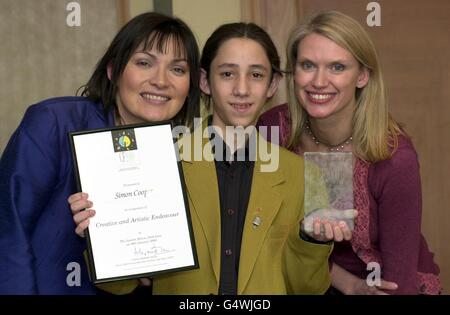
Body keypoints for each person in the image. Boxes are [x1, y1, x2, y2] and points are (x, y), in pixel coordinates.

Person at [69, 22, 354, 295]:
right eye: (227, 74)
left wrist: (310, 240)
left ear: (272, 84)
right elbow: (120, 286)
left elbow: (308, 289)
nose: (241, 89)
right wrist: (101, 234)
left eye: (256, 75)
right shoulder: (160, 161)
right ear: (205, 81)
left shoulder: (302, 174)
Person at [0, 12, 200, 294]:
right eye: (144, 63)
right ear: (113, 70)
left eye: (177, 69)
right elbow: (9, 229)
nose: (161, 81)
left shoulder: (180, 155)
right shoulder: (53, 123)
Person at [257, 11, 441, 295]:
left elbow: (398, 282)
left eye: (337, 67)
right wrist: (348, 284)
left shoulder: (395, 158)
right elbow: (267, 235)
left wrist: (361, 287)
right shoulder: (272, 130)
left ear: (363, 76)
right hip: (305, 278)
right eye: (308, 65)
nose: (319, 81)